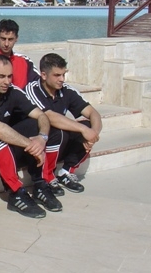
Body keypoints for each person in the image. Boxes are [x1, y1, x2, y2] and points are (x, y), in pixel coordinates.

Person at [0, 55, 63, 217]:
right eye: (1, 76)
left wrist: (41, 138)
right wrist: (31, 145)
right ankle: (16, 193)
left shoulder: (13, 91)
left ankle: (40, 185)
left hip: (6, 148)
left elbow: (41, 115)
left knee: (39, 126)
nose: (7, 81)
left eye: (10, 76)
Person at [25, 53, 102, 194]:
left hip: (57, 144)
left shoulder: (66, 90)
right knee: (58, 130)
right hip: (34, 143)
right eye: (57, 75)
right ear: (43, 75)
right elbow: (49, 116)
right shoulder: (32, 90)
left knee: (88, 125)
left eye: (63, 74)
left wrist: (93, 134)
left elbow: (93, 113)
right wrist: (83, 129)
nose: (62, 79)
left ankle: (65, 172)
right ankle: (46, 177)